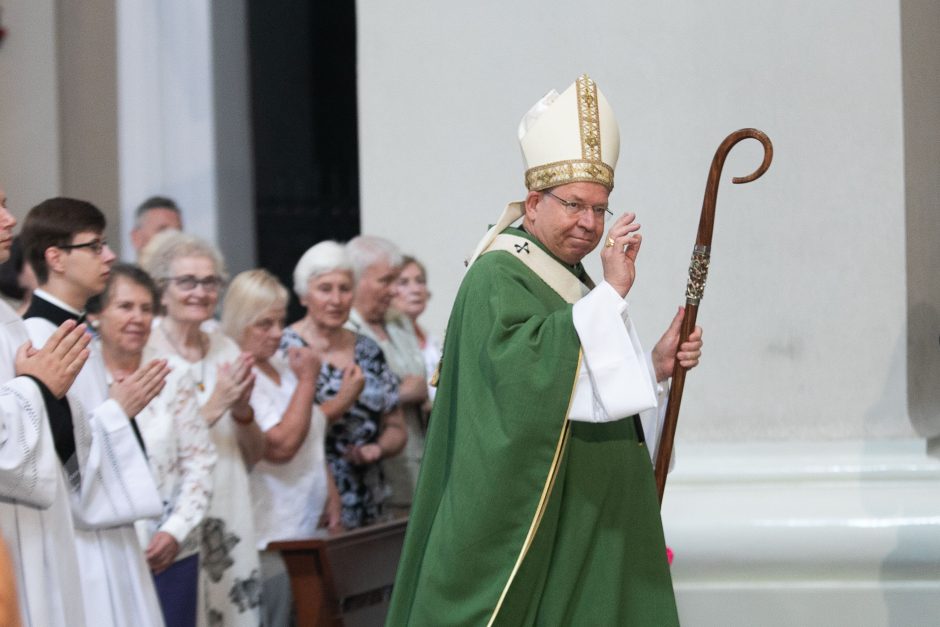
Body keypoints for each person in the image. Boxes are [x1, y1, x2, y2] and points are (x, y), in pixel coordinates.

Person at [387, 75, 705, 625]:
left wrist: (651, 366)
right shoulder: (498, 273)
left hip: (584, 515)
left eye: (600, 209)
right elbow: (524, 381)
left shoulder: (571, 277)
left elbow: (586, 382)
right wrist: (610, 295)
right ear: (533, 203)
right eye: (575, 205)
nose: (589, 223)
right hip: (532, 525)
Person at [20, 197, 168, 627]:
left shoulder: (74, 331)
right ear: (57, 258)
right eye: (95, 246)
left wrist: (120, 412)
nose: (110, 256)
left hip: (105, 534)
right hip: (73, 543)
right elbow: (53, 458)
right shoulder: (37, 338)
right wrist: (118, 411)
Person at [142, 230, 264, 627]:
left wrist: (243, 410)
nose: (200, 291)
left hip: (230, 498)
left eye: (210, 281)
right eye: (187, 281)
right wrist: (214, 405)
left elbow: (254, 452)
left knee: (234, 612)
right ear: (162, 290)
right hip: (175, 512)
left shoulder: (226, 347)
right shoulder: (147, 354)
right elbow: (149, 447)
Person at [88, 264, 217, 627]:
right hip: (104, 551)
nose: (138, 318)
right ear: (97, 314)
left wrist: (174, 531)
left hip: (169, 552)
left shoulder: (173, 374)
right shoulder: (80, 373)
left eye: (146, 309)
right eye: (126, 307)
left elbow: (200, 462)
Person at [222, 269, 341, 627]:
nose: (277, 333)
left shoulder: (281, 367)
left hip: (307, 522)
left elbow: (311, 434)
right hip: (269, 531)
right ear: (241, 323)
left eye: (280, 321)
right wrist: (309, 381)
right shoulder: (240, 372)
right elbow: (280, 445)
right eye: (264, 324)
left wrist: (331, 495)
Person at [0, 186, 93, 627]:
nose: (10, 220)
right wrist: (35, 386)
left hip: (39, 526)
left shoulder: (7, 318)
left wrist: (50, 391)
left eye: (5, 202)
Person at [282, 241, 406, 528]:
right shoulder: (285, 350)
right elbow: (286, 434)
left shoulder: (368, 349)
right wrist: (343, 400)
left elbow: (396, 427)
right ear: (303, 296)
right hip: (312, 501)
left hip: (371, 497)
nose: (336, 300)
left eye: (344, 288)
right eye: (325, 289)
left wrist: (378, 448)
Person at [345, 236, 427, 511]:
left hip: (415, 466)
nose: (394, 291)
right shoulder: (345, 331)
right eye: (385, 281)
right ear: (357, 280)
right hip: (374, 476)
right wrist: (403, 392)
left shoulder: (399, 323)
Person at [391, 256, 441, 403]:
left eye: (420, 281)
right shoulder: (386, 338)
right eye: (403, 282)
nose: (416, 289)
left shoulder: (433, 340)